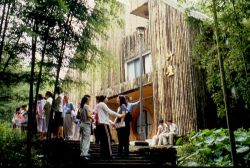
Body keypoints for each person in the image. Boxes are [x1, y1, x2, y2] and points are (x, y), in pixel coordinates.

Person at [96, 95, 125, 159]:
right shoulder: (103, 104)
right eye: (106, 98)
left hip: (100, 124)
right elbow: (110, 112)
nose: (107, 98)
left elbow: (104, 117)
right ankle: (109, 155)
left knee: (103, 141)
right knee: (108, 139)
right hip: (104, 125)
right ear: (104, 99)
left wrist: (112, 123)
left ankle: (103, 155)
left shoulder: (98, 105)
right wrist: (120, 115)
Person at [79, 95, 92, 160]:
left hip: (82, 124)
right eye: (89, 100)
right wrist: (93, 118)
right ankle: (84, 154)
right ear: (87, 100)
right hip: (86, 124)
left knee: (83, 138)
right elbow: (88, 115)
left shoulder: (81, 107)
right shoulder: (86, 106)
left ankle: (82, 151)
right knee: (86, 139)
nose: (90, 101)